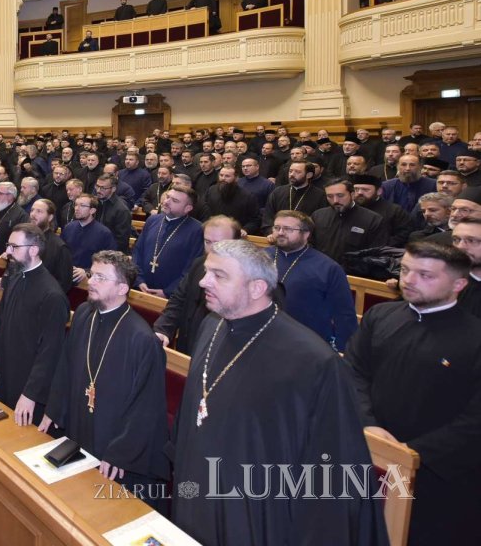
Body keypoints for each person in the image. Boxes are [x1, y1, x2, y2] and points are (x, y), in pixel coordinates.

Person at [171, 240, 386, 545]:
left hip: (257, 511)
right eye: (206, 272)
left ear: (257, 287)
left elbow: (330, 467)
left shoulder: (312, 360)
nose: (203, 282)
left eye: (218, 275)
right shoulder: (211, 325)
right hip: (196, 488)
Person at [344, 240, 481, 546]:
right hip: (369, 450)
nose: (408, 280)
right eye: (405, 270)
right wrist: (368, 424)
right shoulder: (381, 316)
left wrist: (408, 453)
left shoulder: (474, 338)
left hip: (437, 474)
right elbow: (353, 372)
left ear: (459, 284)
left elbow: (475, 421)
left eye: (425, 275)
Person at [40, 250, 169, 507]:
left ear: (122, 287)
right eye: (92, 273)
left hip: (115, 446)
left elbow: (146, 407)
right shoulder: (85, 315)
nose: (91, 281)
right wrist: (53, 410)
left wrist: (121, 452)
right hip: (81, 426)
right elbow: (65, 366)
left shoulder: (141, 340)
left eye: (101, 277)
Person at [0, 224, 69, 426]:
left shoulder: (52, 295)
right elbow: (0, 321)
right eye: (8, 246)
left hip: (30, 383)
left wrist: (31, 394)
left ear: (34, 250)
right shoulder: (15, 278)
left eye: (14, 246)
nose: (8, 252)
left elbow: (50, 352)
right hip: (7, 369)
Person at [267, 210, 358, 350]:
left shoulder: (328, 268)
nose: (280, 232)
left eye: (288, 229)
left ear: (306, 234)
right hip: (265, 334)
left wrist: (344, 349)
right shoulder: (261, 257)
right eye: (277, 227)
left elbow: (344, 313)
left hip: (306, 342)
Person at [154, 216, 239, 354]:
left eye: (219, 243)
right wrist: (163, 329)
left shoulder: (243, 277)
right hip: (187, 344)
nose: (212, 249)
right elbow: (178, 300)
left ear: (236, 243)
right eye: (207, 242)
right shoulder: (198, 264)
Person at [132, 188, 204, 296]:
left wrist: (168, 292)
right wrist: (139, 280)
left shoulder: (197, 230)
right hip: (140, 289)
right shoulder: (152, 220)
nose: (166, 202)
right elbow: (137, 252)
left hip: (173, 297)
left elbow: (192, 269)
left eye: (174, 201)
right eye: (167, 197)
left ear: (187, 208)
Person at [311, 178, 387, 267]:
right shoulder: (318, 215)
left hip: (354, 274)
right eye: (330, 196)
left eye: (340, 195)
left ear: (352, 194)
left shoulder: (373, 219)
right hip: (320, 269)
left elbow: (376, 254)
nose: (335, 200)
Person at [60, 194, 117, 281]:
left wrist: (88, 272)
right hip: (66, 274)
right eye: (76, 205)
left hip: (89, 279)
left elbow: (109, 261)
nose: (77, 208)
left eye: (82, 205)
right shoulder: (69, 227)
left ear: (92, 210)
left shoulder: (104, 233)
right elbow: (61, 253)